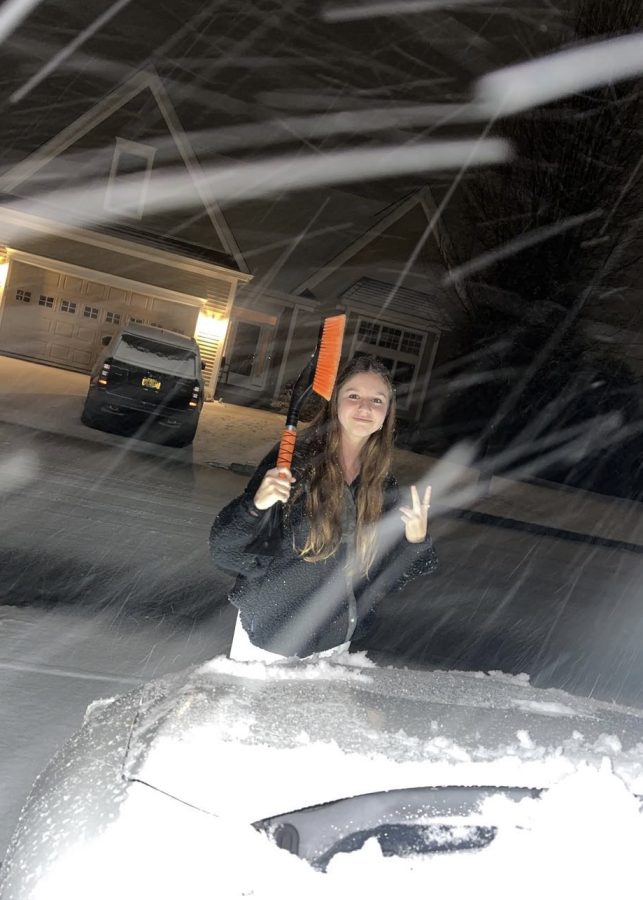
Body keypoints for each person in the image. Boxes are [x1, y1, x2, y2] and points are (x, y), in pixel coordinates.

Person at [209, 354, 438, 662]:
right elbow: (227, 553)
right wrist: (254, 508)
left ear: (387, 413)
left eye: (377, 400)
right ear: (335, 402)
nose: (365, 408)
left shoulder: (381, 483)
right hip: (270, 644)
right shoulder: (296, 462)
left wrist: (414, 542)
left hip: (335, 646)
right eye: (353, 395)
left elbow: (386, 578)